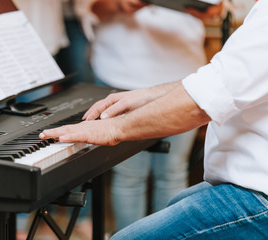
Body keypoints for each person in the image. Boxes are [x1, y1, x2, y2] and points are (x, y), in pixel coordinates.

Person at [39, 0, 268, 238]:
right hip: (248, 181)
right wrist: (147, 95)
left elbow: (205, 100)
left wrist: (114, 128)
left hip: (258, 194)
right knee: (154, 191)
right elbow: (221, 78)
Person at [74, 0, 207, 231]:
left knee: (173, 172)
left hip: (182, 76)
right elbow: (91, 9)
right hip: (121, 74)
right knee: (129, 176)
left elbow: (212, 9)